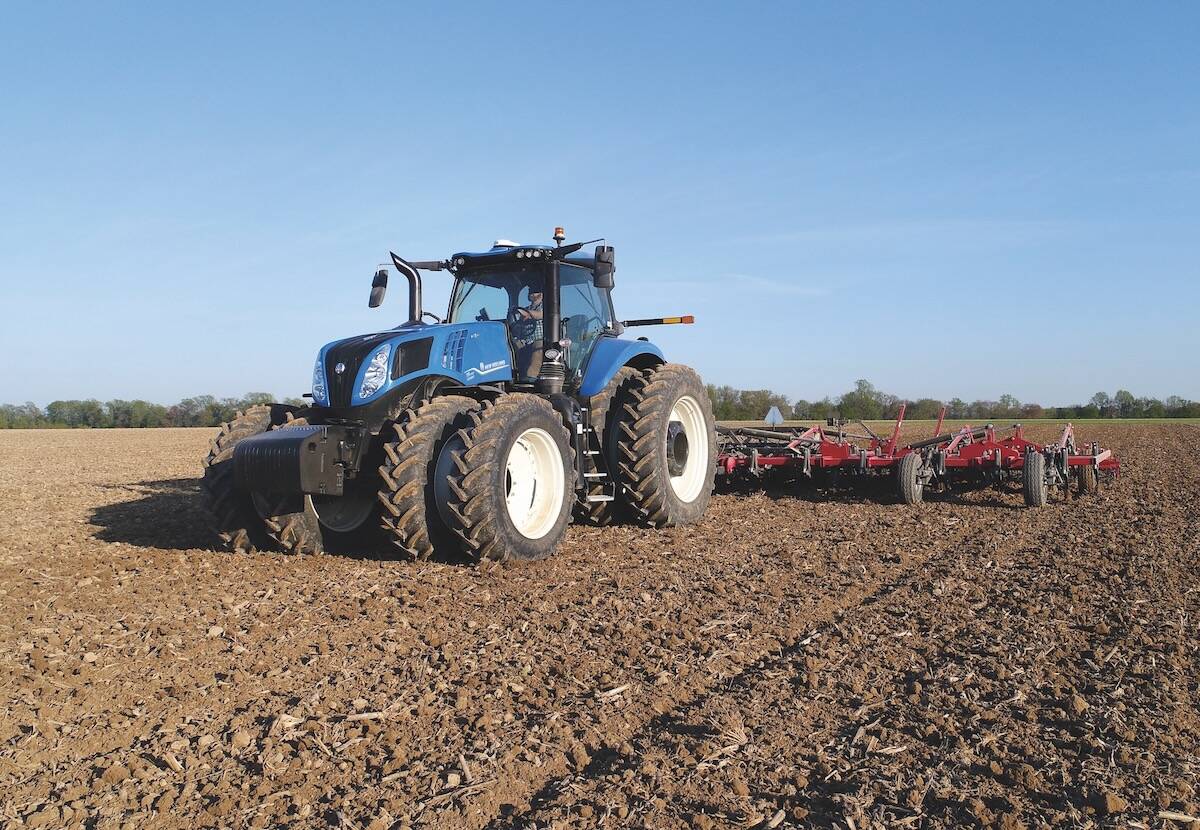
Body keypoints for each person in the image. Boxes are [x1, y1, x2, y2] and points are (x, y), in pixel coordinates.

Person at [512, 287, 543, 382]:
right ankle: (512, 375)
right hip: (526, 340)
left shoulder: (546, 306)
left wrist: (526, 314)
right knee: (511, 346)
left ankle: (531, 377)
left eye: (534, 292)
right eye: (530, 293)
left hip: (541, 339)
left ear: (541, 294)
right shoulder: (527, 308)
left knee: (539, 347)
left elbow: (538, 315)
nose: (532, 294)